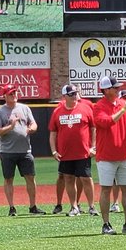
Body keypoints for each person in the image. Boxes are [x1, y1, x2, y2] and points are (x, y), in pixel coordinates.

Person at [92, 75, 126, 235]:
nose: (118, 89)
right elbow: (108, 122)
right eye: (115, 87)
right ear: (106, 90)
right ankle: (106, 224)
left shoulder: (124, 104)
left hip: (124, 155)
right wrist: (125, 108)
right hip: (106, 156)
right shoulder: (99, 106)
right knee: (106, 189)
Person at [0, 85, 46, 217]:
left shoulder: (24, 108)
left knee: (30, 178)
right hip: (7, 151)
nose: (14, 95)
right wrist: (10, 127)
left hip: (25, 150)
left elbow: (33, 124)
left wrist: (31, 128)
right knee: (8, 179)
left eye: (15, 92)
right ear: (4, 96)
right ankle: (11, 207)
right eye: (11, 93)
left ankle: (33, 206)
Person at [48, 84, 96, 216]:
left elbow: (93, 128)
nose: (75, 96)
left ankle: (92, 206)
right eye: (71, 94)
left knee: (86, 178)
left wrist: (93, 146)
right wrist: (53, 150)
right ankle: (74, 206)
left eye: (75, 93)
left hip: (83, 151)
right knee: (68, 178)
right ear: (64, 97)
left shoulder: (85, 108)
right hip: (65, 153)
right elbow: (53, 133)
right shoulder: (57, 111)